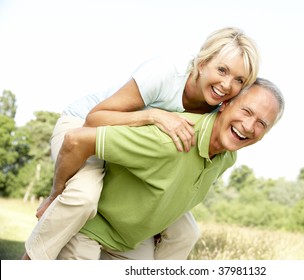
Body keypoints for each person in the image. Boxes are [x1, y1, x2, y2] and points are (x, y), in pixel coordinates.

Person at [23, 27, 260, 260]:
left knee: (185, 232)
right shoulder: (164, 74)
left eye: (239, 80)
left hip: (122, 144)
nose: (227, 85)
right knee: (83, 197)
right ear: (202, 63)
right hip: (84, 124)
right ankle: (33, 257)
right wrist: (153, 115)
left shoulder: (219, 109)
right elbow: (94, 119)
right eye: (222, 70)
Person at [54, 77, 285, 259]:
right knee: (82, 197)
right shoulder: (171, 133)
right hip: (83, 118)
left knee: (186, 232)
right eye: (246, 111)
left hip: (125, 238)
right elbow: (78, 139)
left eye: (262, 123)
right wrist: (56, 193)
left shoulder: (227, 156)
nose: (249, 126)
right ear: (225, 104)